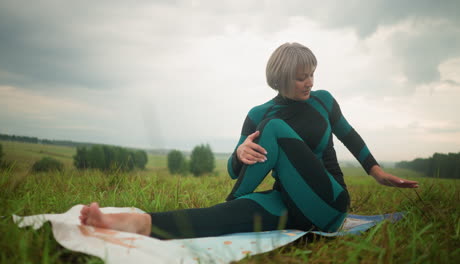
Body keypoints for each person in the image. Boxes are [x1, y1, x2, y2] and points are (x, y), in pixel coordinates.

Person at [80, 42, 419, 238]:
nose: (310, 82)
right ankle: (127, 222)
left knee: (272, 132)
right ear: (281, 79)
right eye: (302, 77)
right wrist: (239, 152)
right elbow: (232, 168)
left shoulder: (323, 101)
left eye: (312, 74)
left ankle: (233, 201)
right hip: (290, 204)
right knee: (214, 218)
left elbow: (349, 135)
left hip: (329, 202)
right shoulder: (259, 112)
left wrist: (376, 171)